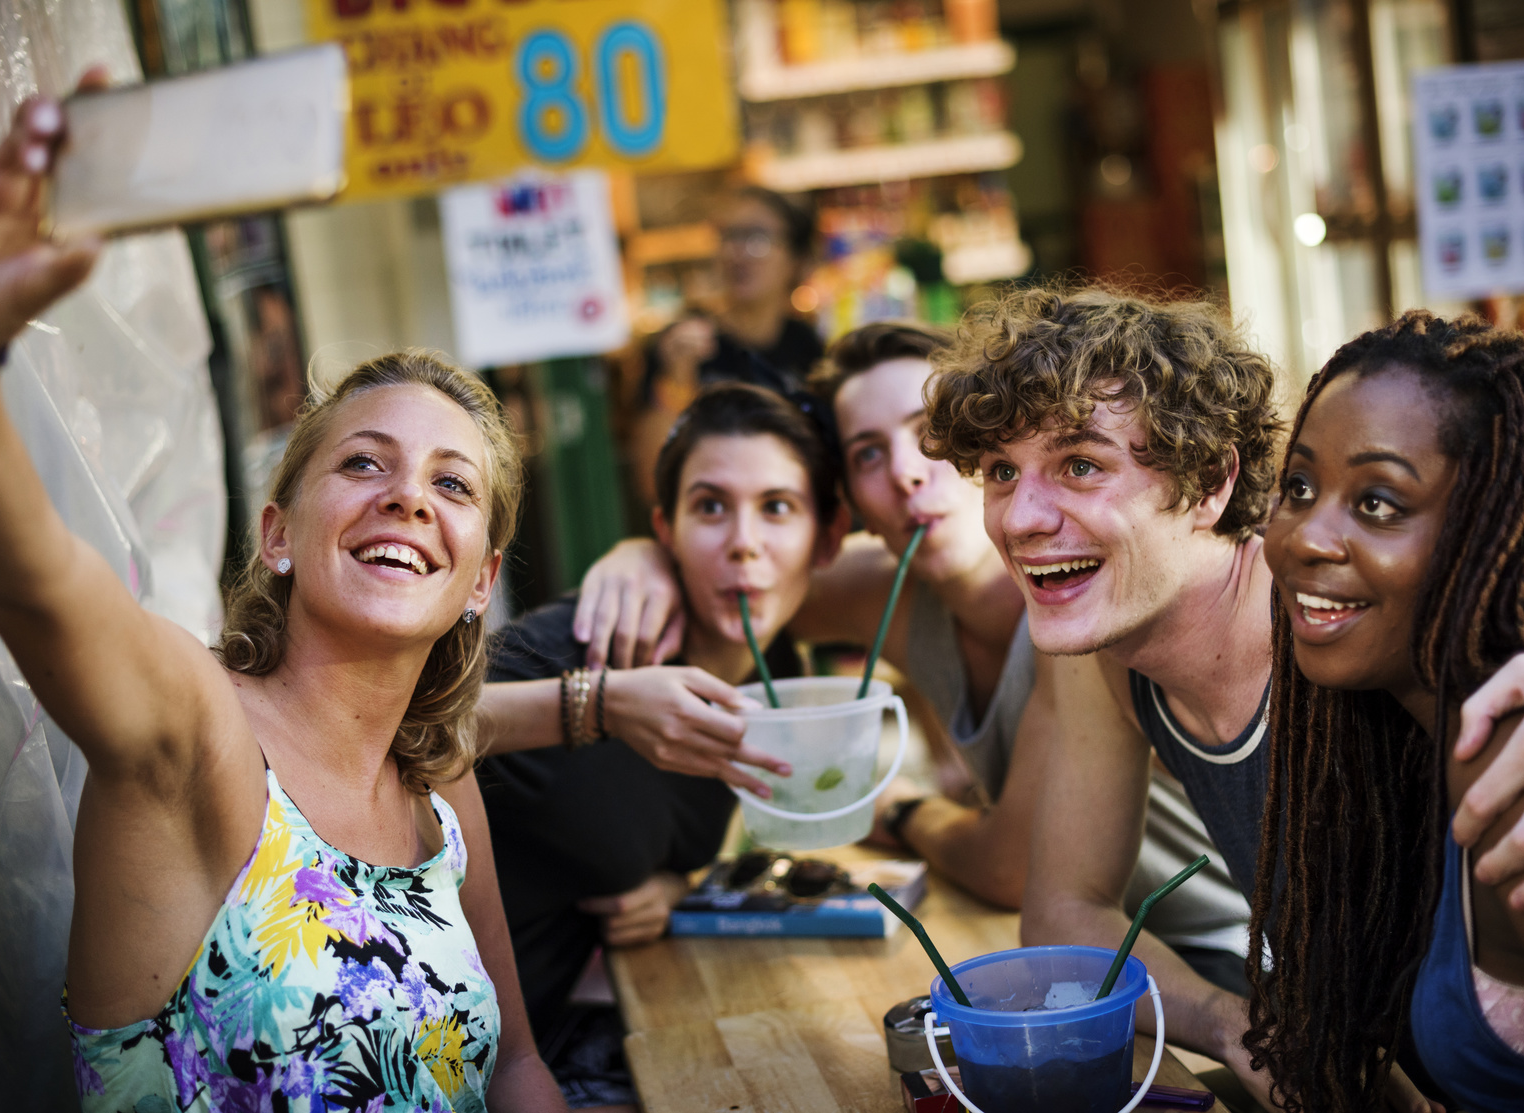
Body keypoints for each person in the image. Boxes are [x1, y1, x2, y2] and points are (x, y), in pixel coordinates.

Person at [0, 85, 563, 1111]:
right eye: (365, 465)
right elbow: (37, 582)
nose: (408, 499)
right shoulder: (199, 735)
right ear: (279, 535)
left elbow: (513, 1063)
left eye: (452, 484)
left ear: (480, 581)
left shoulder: (436, 788)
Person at [922, 283, 1524, 1110]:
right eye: (1000, 471)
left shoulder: (1361, 634)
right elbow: (1065, 912)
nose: (1023, 516)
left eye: (1080, 465)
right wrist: (1236, 1026)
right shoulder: (1103, 643)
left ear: (1211, 483)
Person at [570, 322, 1252, 988]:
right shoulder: (881, 588)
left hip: (1209, 947)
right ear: (850, 507)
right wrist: (646, 558)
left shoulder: (1078, 597)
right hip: (1089, 949)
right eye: (867, 453)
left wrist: (895, 810)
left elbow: (1008, 869)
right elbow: (737, 583)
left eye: (928, 437)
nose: (903, 473)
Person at [475, 383, 846, 1111]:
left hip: (569, 1037)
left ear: (827, 538)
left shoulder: (785, 679)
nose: (743, 540)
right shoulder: (583, 644)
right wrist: (595, 704)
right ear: (666, 529)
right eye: (710, 506)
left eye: (777, 507)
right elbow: (400, 727)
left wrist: (679, 886)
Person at [1251, 311, 1524, 1112]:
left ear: (1494, 531)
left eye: (1378, 503)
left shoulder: (1510, 757)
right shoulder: (1412, 735)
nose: (1307, 535)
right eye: (1299, 487)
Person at [629, 188, 824, 505]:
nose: (738, 252)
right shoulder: (682, 344)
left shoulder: (808, 347)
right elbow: (653, 480)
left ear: (797, 259)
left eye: (756, 238)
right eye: (729, 236)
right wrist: (677, 379)